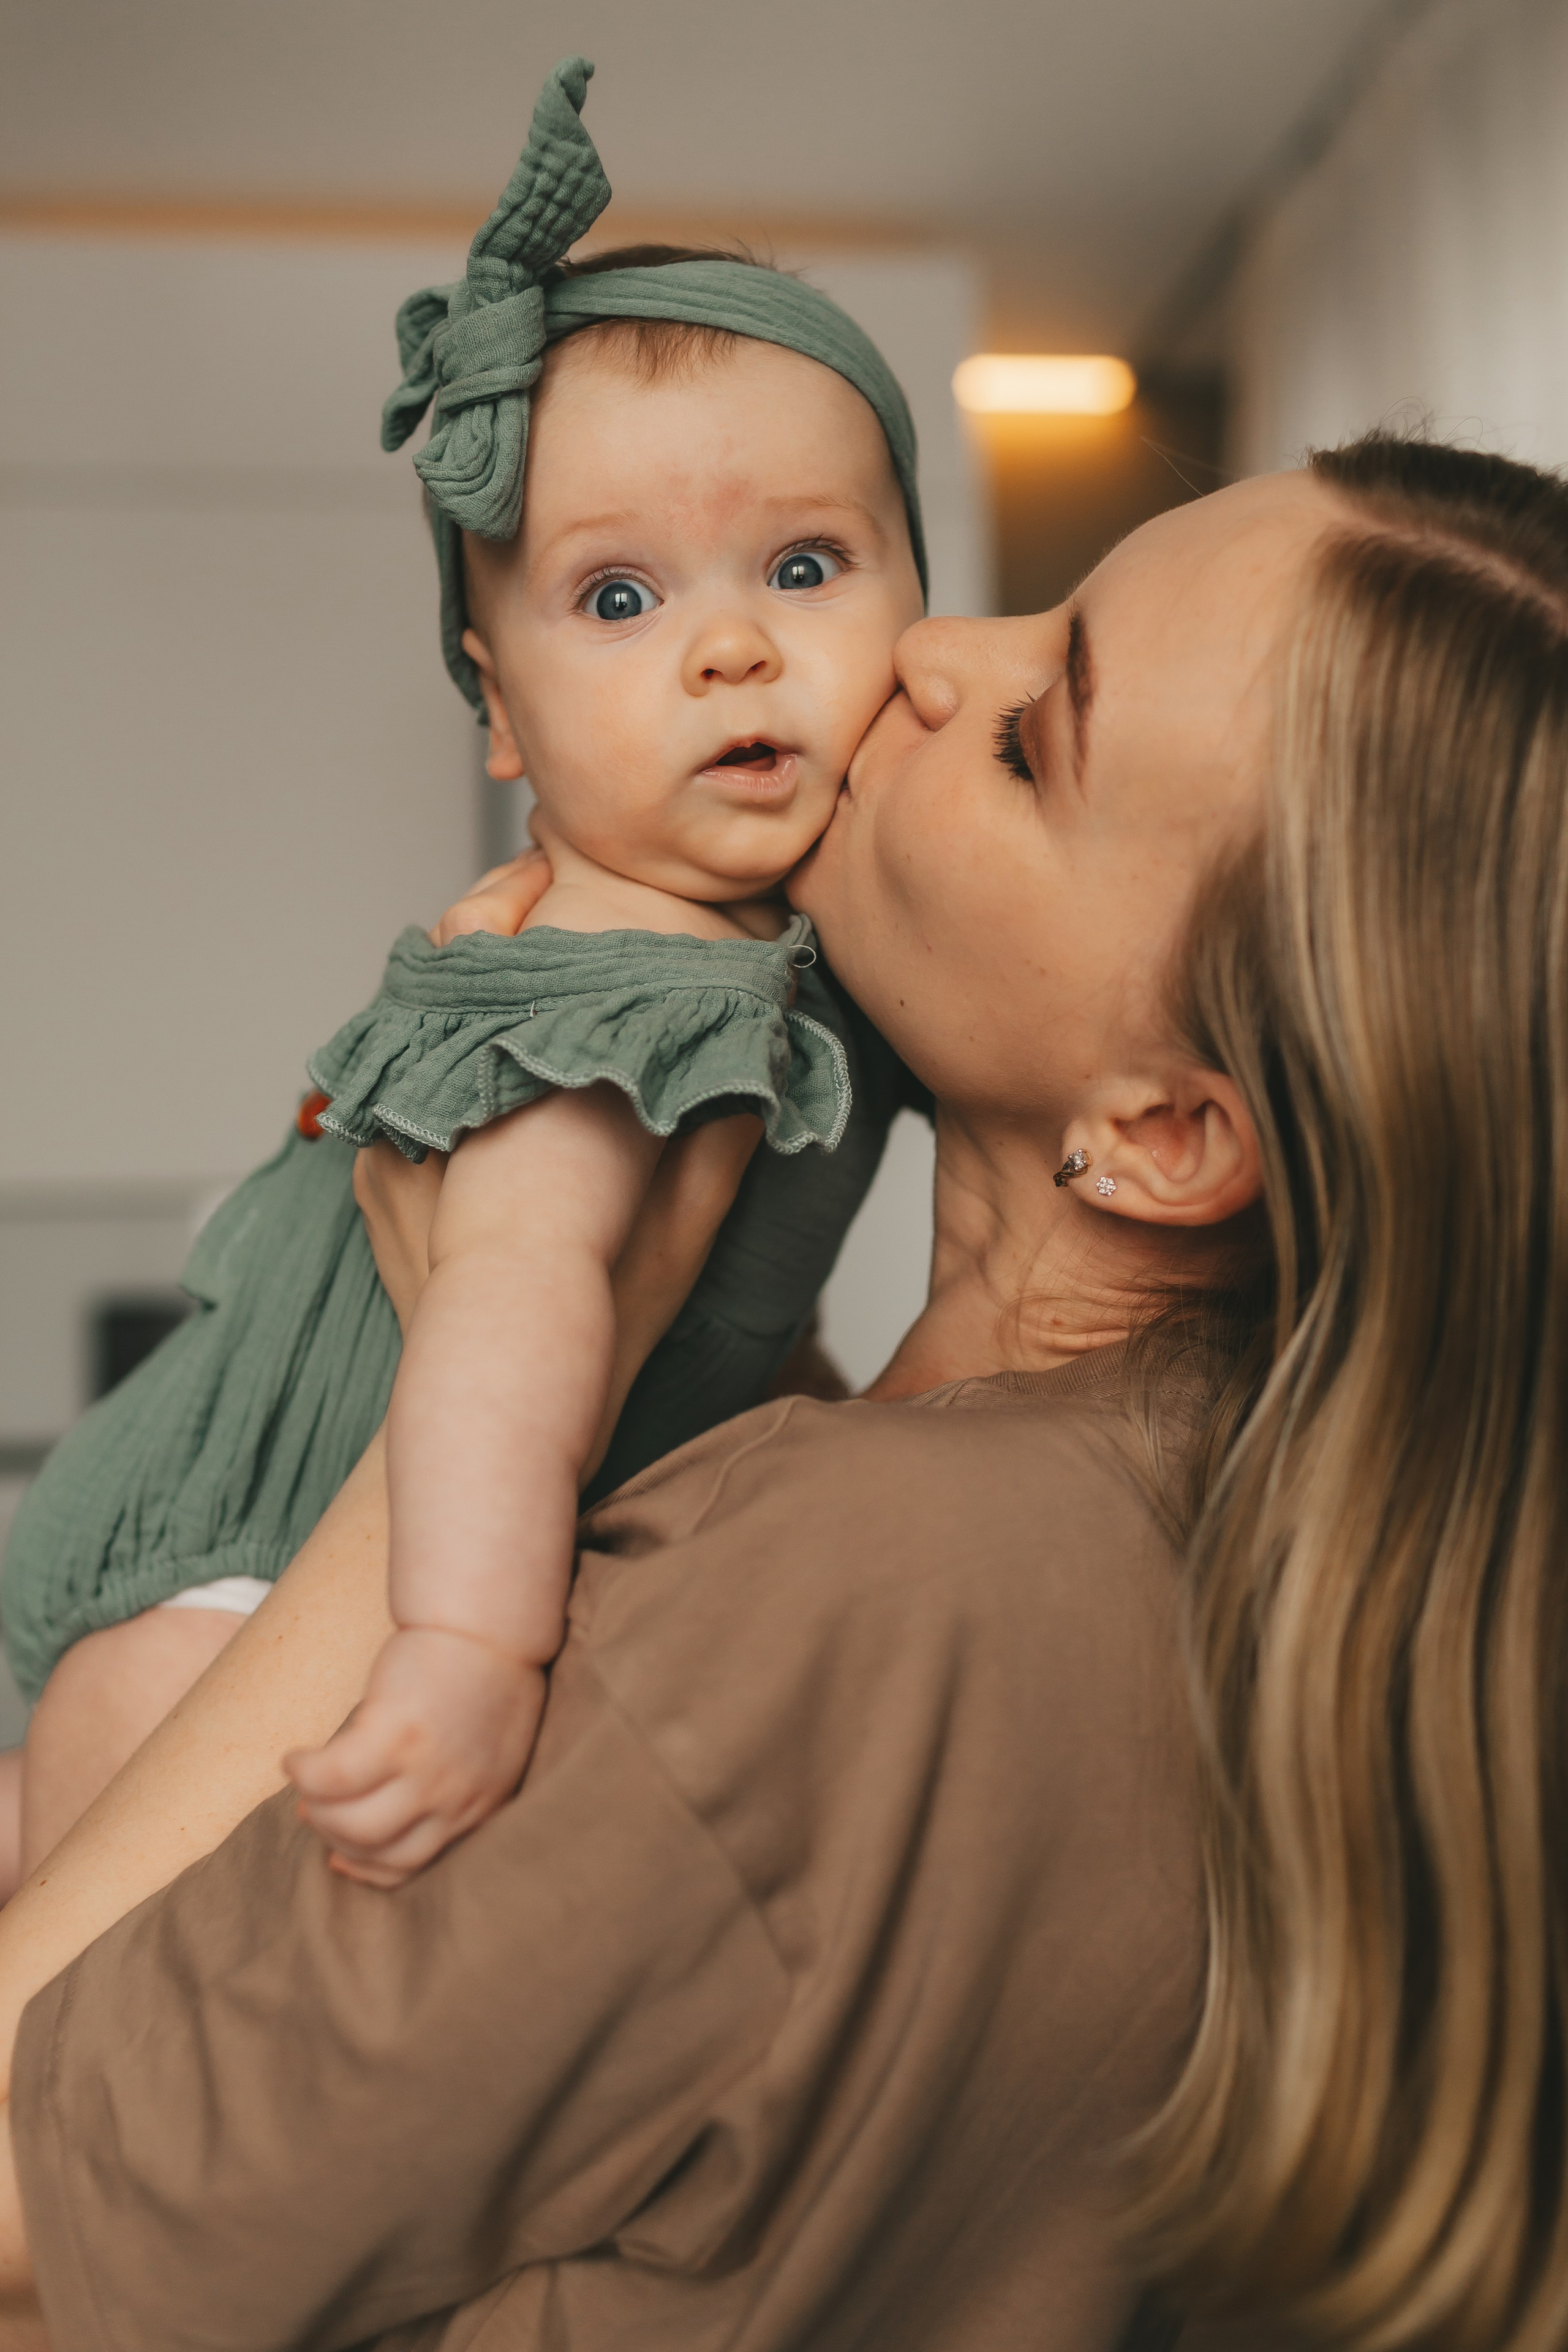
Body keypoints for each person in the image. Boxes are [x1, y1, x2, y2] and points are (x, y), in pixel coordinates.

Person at [0, 431, 1562, 2351]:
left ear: (1168, 1134)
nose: (935, 653)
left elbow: (28, 2206)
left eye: (1034, 740)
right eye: (1043, 608)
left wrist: (485, 1379)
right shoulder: (1231, 1577)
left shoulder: (862, 1587)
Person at [0, 55, 929, 1887]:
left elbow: (725, 1318)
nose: (732, 648)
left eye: (808, 565)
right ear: (500, 714)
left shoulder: (796, 974)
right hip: (242, 1593)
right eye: (619, 598)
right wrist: (471, 1650)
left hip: (303, 1564)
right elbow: (514, 1303)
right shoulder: (618, 975)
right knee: (97, 1986)